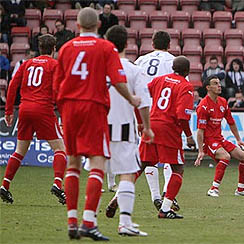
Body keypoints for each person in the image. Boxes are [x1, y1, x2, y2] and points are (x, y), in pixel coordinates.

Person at [53, 8, 140, 241]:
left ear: (78, 25)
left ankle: (72, 221)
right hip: (92, 106)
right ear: (99, 25)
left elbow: (57, 84)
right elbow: (118, 79)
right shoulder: (106, 48)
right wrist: (131, 99)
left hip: (69, 108)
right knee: (97, 162)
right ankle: (89, 222)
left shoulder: (66, 49)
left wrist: (62, 109)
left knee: (73, 163)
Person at [1, 34, 67, 206]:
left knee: (20, 150)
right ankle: (58, 184)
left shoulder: (27, 63)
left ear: (39, 48)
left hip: (24, 109)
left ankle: (5, 185)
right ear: (53, 49)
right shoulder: (54, 65)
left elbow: (13, 85)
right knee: (60, 149)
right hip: (43, 109)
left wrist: (9, 111)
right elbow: (60, 89)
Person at [104, 25, 153, 236]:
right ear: (127, 44)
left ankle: (86, 221)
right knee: (127, 174)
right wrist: (148, 128)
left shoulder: (99, 68)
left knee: (96, 172)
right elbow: (143, 102)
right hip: (124, 128)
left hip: (99, 128)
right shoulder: (133, 70)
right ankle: (125, 223)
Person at [139, 56, 196, 219]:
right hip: (168, 129)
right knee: (177, 168)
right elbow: (182, 116)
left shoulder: (159, 80)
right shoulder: (186, 86)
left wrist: (140, 121)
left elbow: (143, 93)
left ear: (172, 67)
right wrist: (189, 136)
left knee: (142, 164)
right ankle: (165, 209)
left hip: (151, 124)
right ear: (187, 71)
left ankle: (118, 196)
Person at [134, 30, 179, 211]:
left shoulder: (141, 60)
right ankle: (168, 195)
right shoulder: (174, 62)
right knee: (170, 156)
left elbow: (134, 85)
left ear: (152, 44)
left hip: (144, 112)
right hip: (165, 113)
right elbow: (180, 86)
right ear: (169, 45)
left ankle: (155, 196)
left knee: (147, 157)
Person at [195, 75, 244, 197]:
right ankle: (213, 189)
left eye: (219, 83)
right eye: (215, 83)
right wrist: (201, 151)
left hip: (219, 139)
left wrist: (238, 140)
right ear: (208, 87)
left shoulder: (223, 102)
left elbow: (231, 122)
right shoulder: (203, 106)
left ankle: (241, 190)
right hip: (209, 141)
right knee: (225, 156)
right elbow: (200, 131)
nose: (219, 85)